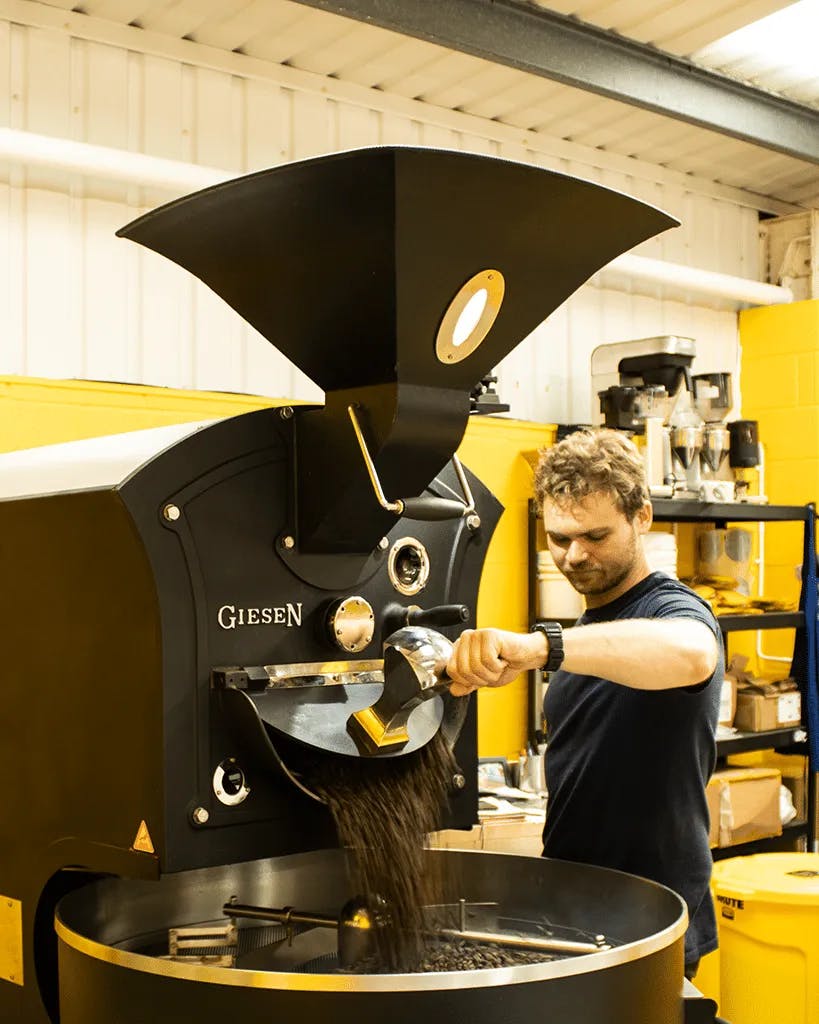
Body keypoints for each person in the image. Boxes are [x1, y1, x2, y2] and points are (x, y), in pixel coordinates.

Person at [446, 428, 724, 977]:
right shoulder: (591, 624)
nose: (573, 556)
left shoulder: (674, 610)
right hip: (573, 898)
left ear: (642, 517)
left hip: (649, 909)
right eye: (558, 538)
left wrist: (540, 646)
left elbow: (692, 654)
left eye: (595, 535)